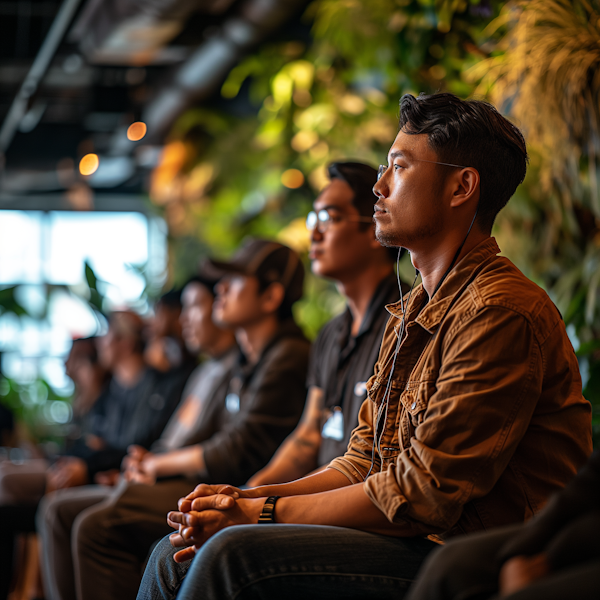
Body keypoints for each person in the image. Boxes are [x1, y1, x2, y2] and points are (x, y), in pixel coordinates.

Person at [137, 93, 592, 600]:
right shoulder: (411, 310)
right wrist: (246, 497)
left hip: (471, 555)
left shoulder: (498, 311)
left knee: (229, 555)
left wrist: (258, 513)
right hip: (416, 537)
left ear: (461, 186)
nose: (378, 187)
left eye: (398, 167)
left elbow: (423, 496)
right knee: (174, 552)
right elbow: (363, 459)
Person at [41, 239, 311, 600]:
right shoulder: (247, 361)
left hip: (229, 482)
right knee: (66, 510)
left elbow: (237, 448)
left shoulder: (283, 355)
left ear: (270, 297)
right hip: (219, 480)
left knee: (101, 524)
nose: (222, 292)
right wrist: (148, 464)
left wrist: (158, 466)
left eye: (234, 282)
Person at [249, 162, 404, 487]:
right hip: (316, 499)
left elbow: (379, 463)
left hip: (362, 508)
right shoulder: (331, 334)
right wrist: (250, 491)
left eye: (330, 218)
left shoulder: (406, 324)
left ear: (375, 228)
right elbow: (308, 438)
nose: (314, 234)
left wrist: (264, 504)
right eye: (314, 218)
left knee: (227, 539)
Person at [37, 310, 192, 600]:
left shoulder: (156, 384)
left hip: (143, 473)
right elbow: (90, 440)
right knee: (49, 501)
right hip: (119, 469)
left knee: (62, 511)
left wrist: (94, 465)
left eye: (107, 336)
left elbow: (139, 443)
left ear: (124, 342)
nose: (100, 345)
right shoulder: (111, 388)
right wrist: (87, 461)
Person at [405, 451, 600, 600]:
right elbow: (590, 480)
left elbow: (429, 492)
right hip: (583, 532)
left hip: (457, 530)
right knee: (450, 564)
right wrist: (519, 552)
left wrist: (552, 556)